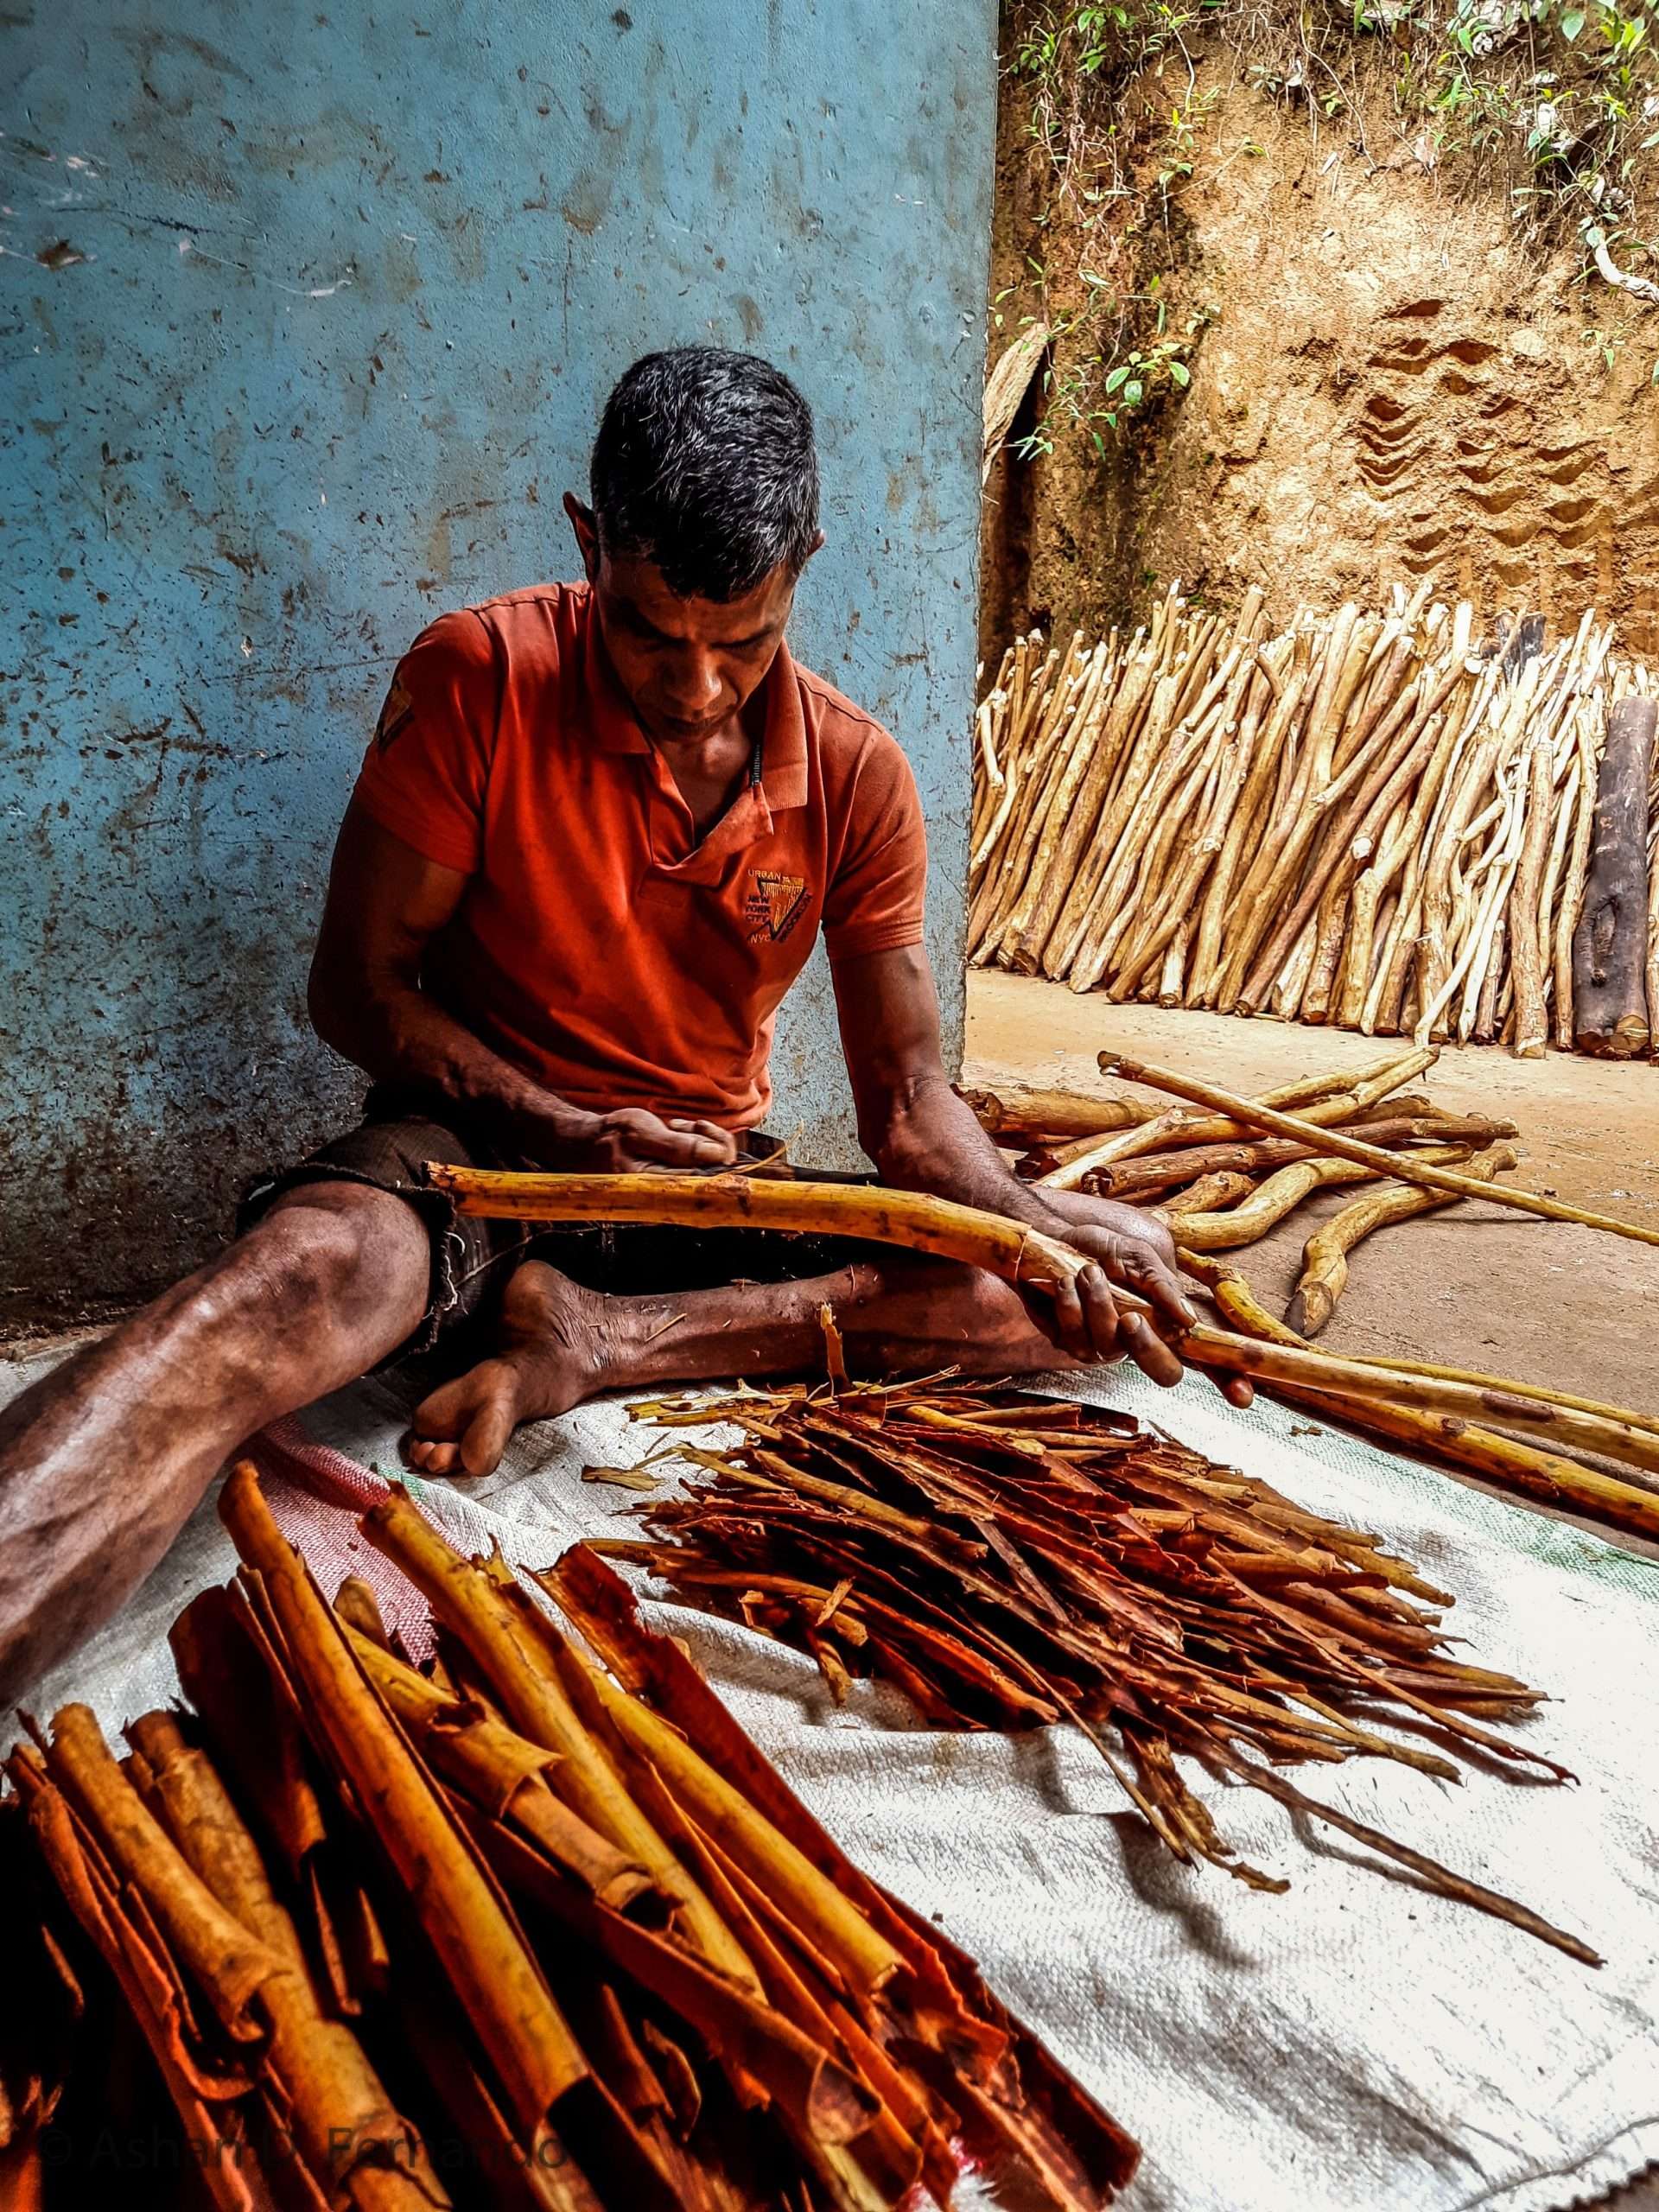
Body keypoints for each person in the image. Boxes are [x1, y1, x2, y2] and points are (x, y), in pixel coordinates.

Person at [0, 346, 1241, 1701]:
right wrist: (557, 1124)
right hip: (479, 1157)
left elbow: (905, 1104)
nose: (698, 687)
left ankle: (601, 1339)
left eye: (743, 642)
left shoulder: (859, 774)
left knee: (1051, 1304)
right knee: (282, 1290)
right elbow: (355, 989)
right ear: (590, 543)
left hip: (707, 1192)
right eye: (651, 634)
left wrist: (1026, 1218)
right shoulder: (480, 676)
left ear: (805, 566)